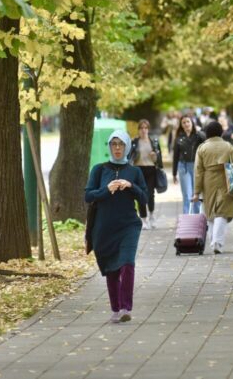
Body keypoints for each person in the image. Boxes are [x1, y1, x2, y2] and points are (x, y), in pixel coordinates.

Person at [85, 130, 148, 323]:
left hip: (129, 226)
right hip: (103, 228)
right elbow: (88, 196)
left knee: (127, 263)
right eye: (114, 144)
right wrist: (107, 189)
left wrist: (131, 186)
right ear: (109, 147)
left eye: (121, 144)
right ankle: (116, 309)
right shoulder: (99, 169)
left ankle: (126, 308)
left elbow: (144, 198)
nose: (118, 148)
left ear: (128, 146)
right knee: (112, 269)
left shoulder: (135, 172)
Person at [192, 121, 233, 254]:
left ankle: (214, 241)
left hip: (208, 181)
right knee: (222, 211)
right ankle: (217, 243)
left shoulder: (202, 148)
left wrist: (196, 191)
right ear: (221, 132)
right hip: (225, 179)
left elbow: (198, 170)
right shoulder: (228, 146)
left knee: (210, 213)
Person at [128, 119, 164, 230]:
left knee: (150, 194)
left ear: (148, 129)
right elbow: (130, 157)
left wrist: (155, 157)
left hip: (151, 170)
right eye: (141, 128)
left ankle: (152, 216)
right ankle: (143, 219)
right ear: (138, 130)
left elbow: (159, 159)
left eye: (145, 128)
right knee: (140, 195)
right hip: (139, 170)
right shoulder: (134, 142)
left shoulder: (154, 142)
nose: (143, 130)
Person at [172, 115, 206, 214]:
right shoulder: (179, 138)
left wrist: (200, 131)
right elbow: (175, 156)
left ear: (192, 123)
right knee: (187, 194)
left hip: (197, 166)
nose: (186, 124)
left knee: (197, 193)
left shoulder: (198, 135)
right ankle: (186, 218)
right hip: (184, 167)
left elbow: (206, 141)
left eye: (188, 122)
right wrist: (174, 174)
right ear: (181, 125)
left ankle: (197, 217)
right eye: (184, 122)